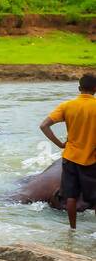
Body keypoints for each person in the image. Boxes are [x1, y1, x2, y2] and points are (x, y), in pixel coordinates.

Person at [40, 73, 96, 229]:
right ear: (95, 89)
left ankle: (72, 229)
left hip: (70, 157)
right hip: (92, 158)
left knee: (70, 196)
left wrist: (59, 144)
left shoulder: (67, 106)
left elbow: (44, 125)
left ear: (79, 88)